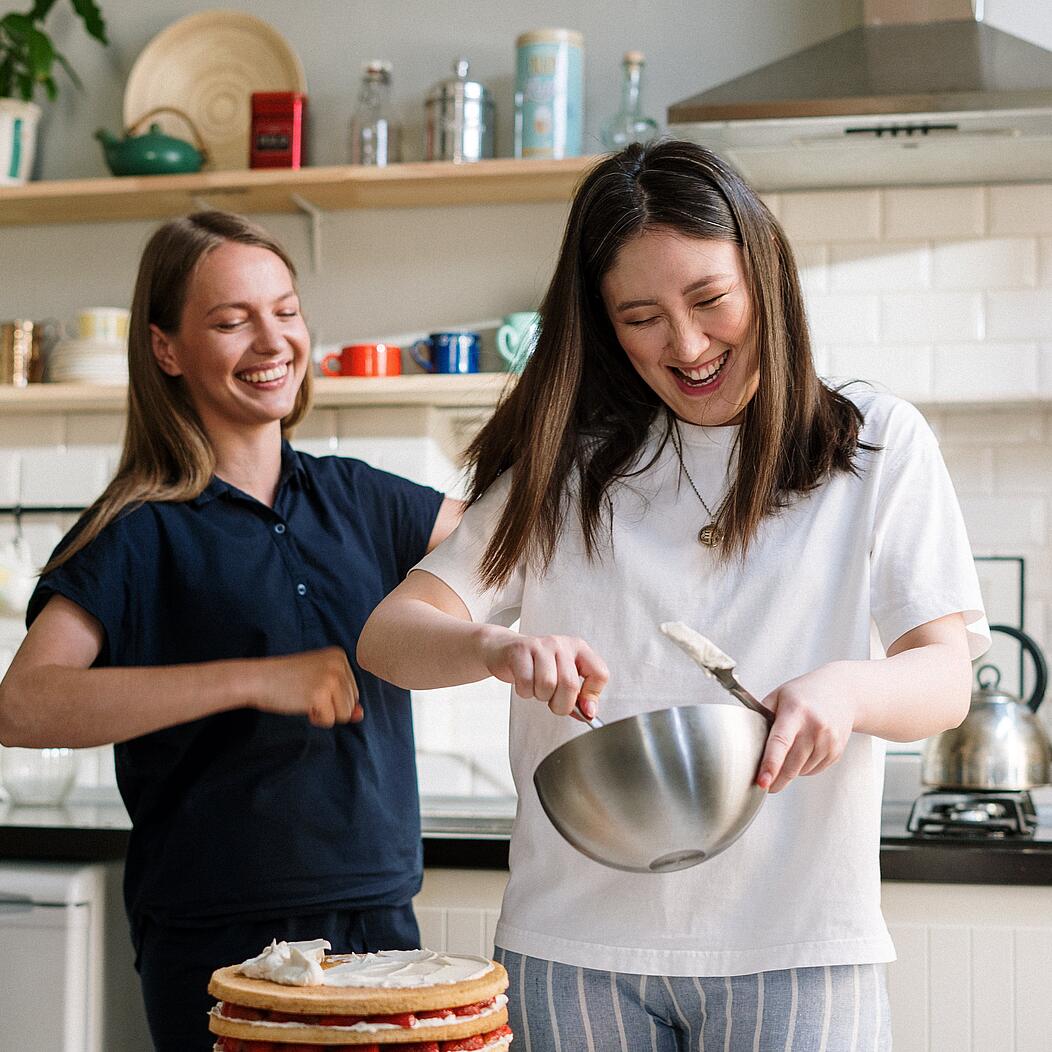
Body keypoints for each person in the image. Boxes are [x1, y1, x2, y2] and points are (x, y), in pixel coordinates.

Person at [357, 140, 988, 1051]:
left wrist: (847, 690)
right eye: (642, 317)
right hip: (573, 946)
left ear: (763, 275)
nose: (687, 348)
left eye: (708, 300)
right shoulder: (567, 467)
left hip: (800, 944)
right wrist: (492, 650)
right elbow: (390, 636)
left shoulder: (874, 443)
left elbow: (943, 678)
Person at [0, 211, 461, 1051]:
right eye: (230, 319)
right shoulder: (134, 532)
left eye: (284, 310)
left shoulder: (361, 498)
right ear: (166, 349)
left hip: (378, 921)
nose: (272, 339)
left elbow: (519, 543)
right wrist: (257, 677)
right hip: (217, 942)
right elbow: (24, 705)